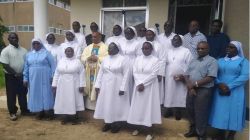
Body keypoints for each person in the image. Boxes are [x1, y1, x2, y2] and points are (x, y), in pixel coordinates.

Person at [209, 41, 249, 140]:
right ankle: (220, 133)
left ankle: (231, 134)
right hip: (220, 89)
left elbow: (245, 76)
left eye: (232, 47)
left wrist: (229, 86)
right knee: (220, 111)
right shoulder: (220, 60)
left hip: (235, 91)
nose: (228, 49)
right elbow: (214, 73)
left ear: (238, 50)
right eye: (228, 47)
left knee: (234, 111)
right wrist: (219, 83)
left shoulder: (243, 61)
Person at [184, 41, 218, 140]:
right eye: (198, 48)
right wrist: (190, 87)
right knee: (190, 109)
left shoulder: (212, 61)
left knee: (201, 112)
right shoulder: (193, 60)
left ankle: (201, 134)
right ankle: (193, 130)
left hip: (203, 90)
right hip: (191, 89)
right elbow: (186, 75)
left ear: (208, 49)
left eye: (202, 48)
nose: (200, 50)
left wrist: (194, 85)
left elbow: (210, 77)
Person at [127, 41, 161, 140]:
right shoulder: (138, 59)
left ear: (151, 49)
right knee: (138, 108)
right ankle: (138, 127)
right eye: (144, 48)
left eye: (147, 48)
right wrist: (138, 83)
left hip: (149, 87)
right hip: (138, 87)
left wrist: (143, 83)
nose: (145, 50)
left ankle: (150, 132)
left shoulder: (155, 60)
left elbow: (154, 74)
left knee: (148, 108)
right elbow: (135, 71)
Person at [94, 42, 130, 133]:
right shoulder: (105, 59)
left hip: (117, 84)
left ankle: (117, 123)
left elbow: (126, 74)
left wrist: (123, 87)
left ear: (117, 49)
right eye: (108, 48)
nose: (109, 50)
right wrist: (97, 85)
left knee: (116, 104)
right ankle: (108, 122)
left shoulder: (123, 59)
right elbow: (100, 73)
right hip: (105, 84)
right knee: (107, 103)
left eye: (111, 48)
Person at [23, 38, 55, 120]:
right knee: (35, 93)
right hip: (33, 78)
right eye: (34, 44)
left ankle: (48, 112)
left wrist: (53, 76)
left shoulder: (46, 53)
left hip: (46, 77)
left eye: (37, 43)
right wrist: (25, 78)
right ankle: (39, 112)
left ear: (41, 44)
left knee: (46, 93)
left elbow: (53, 65)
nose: (36, 45)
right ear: (32, 45)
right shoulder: (29, 55)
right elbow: (26, 67)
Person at [52, 47, 85, 125]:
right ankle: (65, 117)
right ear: (65, 52)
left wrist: (82, 85)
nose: (68, 52)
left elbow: (82, 73)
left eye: (70, 51)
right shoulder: (61, 61)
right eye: (67, 51)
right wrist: (54, 84)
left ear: (73, 52)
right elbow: (57, 73)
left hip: (74, 84)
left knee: (73, 99)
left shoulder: (77, 61)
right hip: (62, 84)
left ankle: (74, 118)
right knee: (64, 100)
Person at [0, 33, 29, 121]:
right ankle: (12, 112)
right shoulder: (5, 50)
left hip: (22, 75)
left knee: (22, 94)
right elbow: (5, 64)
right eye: (12, 38)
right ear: (8, 39)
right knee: (11, 95)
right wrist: (15, 73)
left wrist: (23, 73)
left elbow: (27, 63)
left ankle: (24, 110)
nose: (14, 39)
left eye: (16, 37)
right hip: (11, 76)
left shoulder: (24, 50)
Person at [164, 34, 193, 120]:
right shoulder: (168, 51)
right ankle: (168, 110)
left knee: (179, 94)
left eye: (177, 40)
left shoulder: (186, 51)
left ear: (181, 41)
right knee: (169, 93)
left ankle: (178, 111)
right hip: (169, 76)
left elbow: (190, 65)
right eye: (173, 40)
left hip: (181, 78)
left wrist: (183, 76)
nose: (174, 41)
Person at [81, 32, 108, 110]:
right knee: (89, 86)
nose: (93, 38)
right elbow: (83, 57)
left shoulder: (105, 47)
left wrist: (98, 59)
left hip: (99, 72)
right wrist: (88, 58)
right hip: (89, 71)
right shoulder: (88, 47)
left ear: (100, 37)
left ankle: (99, 106)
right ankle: (89, 106)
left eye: (95, 37)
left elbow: (107, 58)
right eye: (92, 37)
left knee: (97, 87)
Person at [143, 28, 165, 106]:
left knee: (155, 90)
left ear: (154, 35)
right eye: (147, 34)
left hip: (156, 72)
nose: (148, 36)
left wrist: (160, 73)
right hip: (145, 71)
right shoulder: (143, 44)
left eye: (150, 34)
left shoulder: (159, 46)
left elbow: (162, 60)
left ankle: (155, 106)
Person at [120, 26, 140, 101]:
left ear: (133, 33)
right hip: (122, 63)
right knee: (122, 81)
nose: (127, 34)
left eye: (129, 33)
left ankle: (130, 101)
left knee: (130, 82)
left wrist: (136, 67)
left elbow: (139, 56)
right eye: (125, 33)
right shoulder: (121, 41)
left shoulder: (137, 43)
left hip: (132, 64)